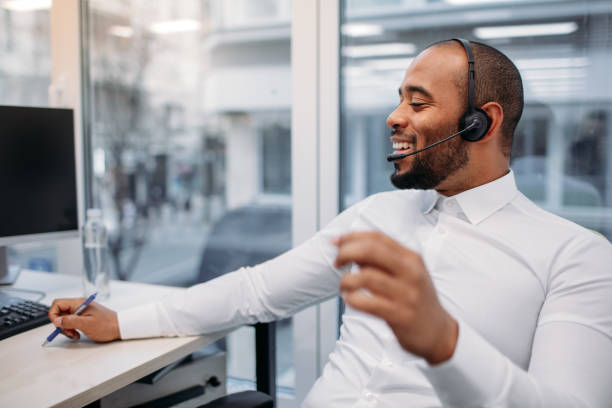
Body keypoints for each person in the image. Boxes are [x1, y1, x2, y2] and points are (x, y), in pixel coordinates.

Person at [49, 39, 612, 407]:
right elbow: (256, 292)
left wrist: (444, 341)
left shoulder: (576, 256)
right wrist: (122, 322)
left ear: (478, 123)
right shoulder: (377, 215)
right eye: (399, 100)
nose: (395, 116)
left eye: (418, 104)